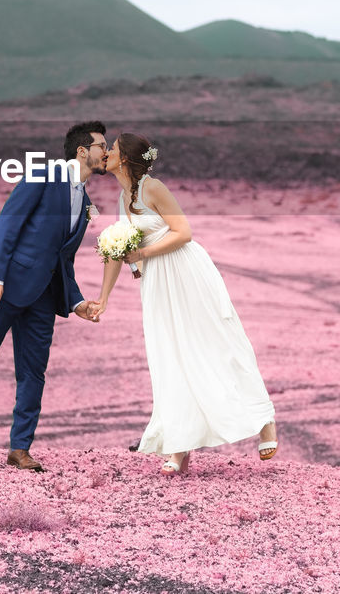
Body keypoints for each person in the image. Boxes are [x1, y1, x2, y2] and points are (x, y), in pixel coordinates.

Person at [91, 132, 278, 474]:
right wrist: (103, 299)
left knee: (216, 343)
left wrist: (143, 253)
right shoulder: (122, 198)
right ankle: (179, 445)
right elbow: (117, 252)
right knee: (169, 355)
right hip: (158, 283)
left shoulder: (153, 188)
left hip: (186, 271)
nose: (106, 154)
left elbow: (183, 233)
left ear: (127, 158)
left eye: (112, 149)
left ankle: (263, 418)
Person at [0, 122, 107, 472]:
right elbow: (8, 224)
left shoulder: (86, 202)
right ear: (82, 151)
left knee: (33, 373)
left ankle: (20, 448)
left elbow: (63, 259)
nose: (106, 152)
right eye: (101, 146)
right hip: (4, 288)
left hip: (44, 297)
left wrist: (77, 303)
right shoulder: (44, 176)